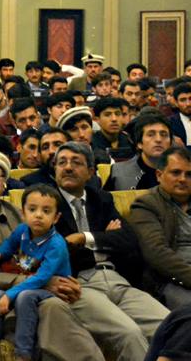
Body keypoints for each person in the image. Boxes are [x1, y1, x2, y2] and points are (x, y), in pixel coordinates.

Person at [0, 147, 105, 361]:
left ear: (4, 181)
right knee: (52, 308)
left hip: (31, 290)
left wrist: (64, 283)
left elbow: (44, 256)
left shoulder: (20, 214)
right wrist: (39, 283)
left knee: (82, 302)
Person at [51, 142, 169, 356]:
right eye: (62, 162)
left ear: (90, 172)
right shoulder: (47, 202)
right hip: (80, 284)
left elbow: (128, 240)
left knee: (171, 326)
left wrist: (83, 238)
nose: (68, 167)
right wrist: (105, 238)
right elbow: (56, 252)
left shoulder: (101, 198)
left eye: (76, 162)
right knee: (130, 333)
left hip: (117, 280)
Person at [0, 184, 71, 361]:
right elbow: (9, 244)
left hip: (52, 288)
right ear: (23, 213)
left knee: (25, 296)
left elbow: (42, 278)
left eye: (46, 211)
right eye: (32, 209)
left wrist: (11, 294)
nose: (38, 215)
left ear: (56, 218)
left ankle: (23, 353)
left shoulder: (56, 245)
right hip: (28, 280)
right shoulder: (22, 230)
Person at [130, 145, 191, 308]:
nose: (183, 179)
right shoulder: (146, 205)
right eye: (176, 173)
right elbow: (156, 253)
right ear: (159, 175)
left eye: (189, 174)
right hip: (170, 280)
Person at [105, 112, 171, 191]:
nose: (158, 139)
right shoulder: (119, 172)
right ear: (139, 143)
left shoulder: (181, 171)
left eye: (164, 135)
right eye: (151, 135)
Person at [91, 97, 134, 161]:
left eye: (117, 114)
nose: (114, 119)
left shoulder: (131, 141)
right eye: (107, 115)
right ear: (97, 119)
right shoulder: (91, 144)